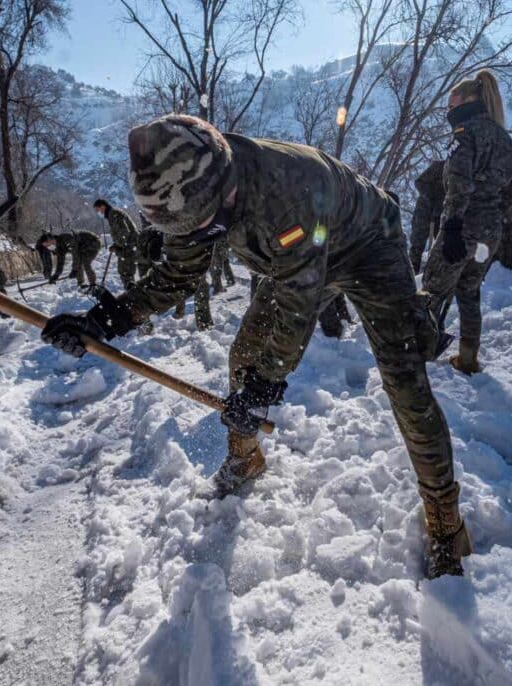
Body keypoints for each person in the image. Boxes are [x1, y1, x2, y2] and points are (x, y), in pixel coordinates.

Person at [40, 115, 472, 578]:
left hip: (368, 245)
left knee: (404, 380)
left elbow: (297, 307)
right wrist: (107, 319)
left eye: (204, 226)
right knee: (244, 355)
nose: (199, 236)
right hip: (299, 258)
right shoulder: (191, 192)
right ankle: (245, 456)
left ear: (226, 188)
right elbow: (178, 274)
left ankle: (446, 519)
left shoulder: (287, 192)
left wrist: (265, 384)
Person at [422, 71, 512, 375]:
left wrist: (452, 226)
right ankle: (468, 358)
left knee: (432, 291)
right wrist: (495, 220)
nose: (449, 112)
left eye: (451, 105)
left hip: (462, 226)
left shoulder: (465, 133)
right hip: (490, 232)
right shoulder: (504, 138)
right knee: (469, 291)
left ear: (469, 100)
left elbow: (459, 184)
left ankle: (418, 355)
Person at [93, 200, 139, 290]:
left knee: (126, 274)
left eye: (97, 210)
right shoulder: (112, 215)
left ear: (103, 207)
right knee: (125, 274)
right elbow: (119, 234)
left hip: (127, 249)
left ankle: (133, 295)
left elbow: (124, 233)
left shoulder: (115, 214)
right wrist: (116, 244)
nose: (97, 212)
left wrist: (118, 246)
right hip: (126, 248)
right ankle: (132, 293)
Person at [409, 160, 446, 274]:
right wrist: (431, 197)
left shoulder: (461, 173)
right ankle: (411, 273)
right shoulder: (439, 166)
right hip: (423, 211)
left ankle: (432, 275)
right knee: (417, 245)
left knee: (440, 247)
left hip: (440, 215)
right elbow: (419, 182)